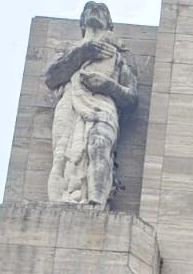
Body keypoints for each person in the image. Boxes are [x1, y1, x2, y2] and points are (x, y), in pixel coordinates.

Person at [45, 2, 138, 209]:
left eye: (101, 10)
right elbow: (51, 78)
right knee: (62, 153)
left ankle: (96, 203)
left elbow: (132, 97)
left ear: (110, 24)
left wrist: (109, 86)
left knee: (99, 146)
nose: (95, 11)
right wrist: (83, 53)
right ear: (82, 21)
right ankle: (59, 201)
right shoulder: (68, 49)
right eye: (90, 8)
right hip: (69, 104)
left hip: (102, 106)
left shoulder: (120, 54)